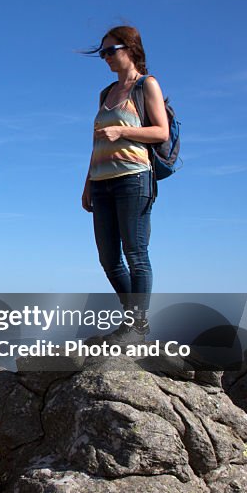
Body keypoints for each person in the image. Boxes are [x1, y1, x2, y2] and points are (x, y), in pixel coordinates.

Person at [81, 26, 168, 332]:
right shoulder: (105, 93)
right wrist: (88, 183)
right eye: (102, 52)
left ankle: (135, 324)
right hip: (102, 181)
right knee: (108, 258)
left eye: (110, 50)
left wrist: (122, 131)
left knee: (135, 253)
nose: (105, 57)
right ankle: (133, 319)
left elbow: (161, 132)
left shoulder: (146, 86)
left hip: (133, 177)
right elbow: (97, 143)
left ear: (130, 48)